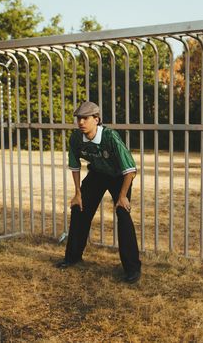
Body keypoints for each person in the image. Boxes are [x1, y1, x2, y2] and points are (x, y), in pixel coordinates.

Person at [57, 101, 141, 283]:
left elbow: (130, 170)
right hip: (97, 174)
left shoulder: (111, 137)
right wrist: (78, 193)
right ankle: (72, 258)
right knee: (79, 209)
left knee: (123, 214)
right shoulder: (76, 138)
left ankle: (132, 269)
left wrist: (122, 197)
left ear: (96, 119)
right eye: (78, 118)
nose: (80, 122)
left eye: (85, 118)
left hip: (120, 176)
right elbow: (75, 166)